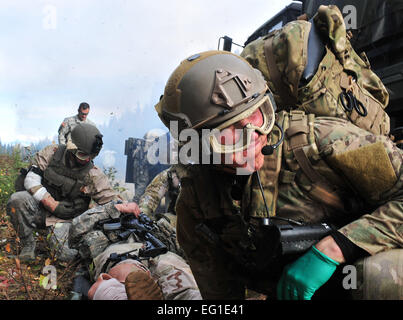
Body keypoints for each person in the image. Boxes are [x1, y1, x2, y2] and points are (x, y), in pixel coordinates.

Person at [154, 50, 403, 300]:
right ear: (198, 145)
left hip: (362, 273)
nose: (252, 137)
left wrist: (337, 247)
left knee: (377, 276)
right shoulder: (197, 205)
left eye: (256, 116)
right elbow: (222, 296)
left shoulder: (322, 142)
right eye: (228, 132)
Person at [6, 123, 123, 262]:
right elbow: (31, 180)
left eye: (91, 156)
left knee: (66, 256)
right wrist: (51, 203)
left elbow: (111, 200)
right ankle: (28, 245)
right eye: (82, 155)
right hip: (39, 209)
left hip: (64, 220)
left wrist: (126, 207)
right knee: (17, 200)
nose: (87, 160)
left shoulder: (93, 175)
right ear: (71, 148)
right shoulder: (52, 152)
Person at [68, 201, 201, 300]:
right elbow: (76, 229)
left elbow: (187, 248)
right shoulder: (103, 223)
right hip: (123, 258)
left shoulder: (154, 226)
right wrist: (117, 208)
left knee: (183, 282)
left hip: (162, 257)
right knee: (124, 278)